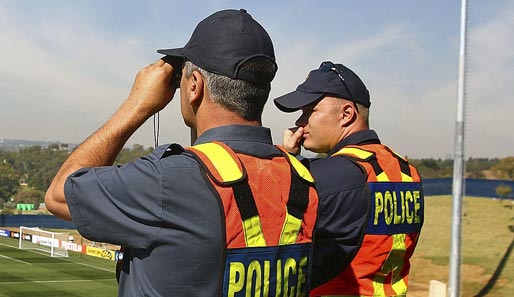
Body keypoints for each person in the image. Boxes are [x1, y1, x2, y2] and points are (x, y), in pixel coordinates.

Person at [45, 9, 318, 297]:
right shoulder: (301, 178)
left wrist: (137, 105)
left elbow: (58, 195)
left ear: (194, 86)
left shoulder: (168, 181)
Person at [274, 61, 424, 297]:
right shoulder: (406, 172)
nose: (300, 123)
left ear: (346, 114)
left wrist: (288, 159)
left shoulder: (334, 175)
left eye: (309, 111)